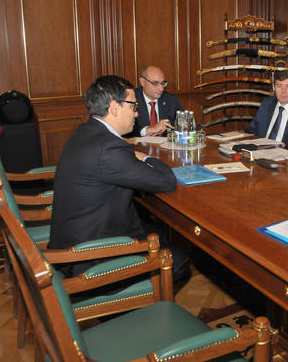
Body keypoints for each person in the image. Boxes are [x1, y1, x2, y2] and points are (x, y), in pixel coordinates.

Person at [49, 75, 189, 280]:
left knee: (158, 230)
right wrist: (145, 158)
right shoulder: (109, 148)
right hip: (90, 259)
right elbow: (166, 181)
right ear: (114, 107)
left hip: (74, 239)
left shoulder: (86, 132)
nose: (137, 113)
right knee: (180, 257)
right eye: (133, 106)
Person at [245, 70, 288, 142]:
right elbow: (251, 131)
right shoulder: (267, 103)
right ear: (274, 88)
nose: (283, 91)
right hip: (261, 146)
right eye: (279, 86)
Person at [129, 66, 183, 137]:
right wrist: (148, 130)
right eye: (155, 83)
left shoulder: (171, 100)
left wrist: (168, 129)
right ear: (143, 82)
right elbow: (123, 128)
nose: (161, 89)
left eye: (163, 83)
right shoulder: (130, 99)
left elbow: (184, 123)